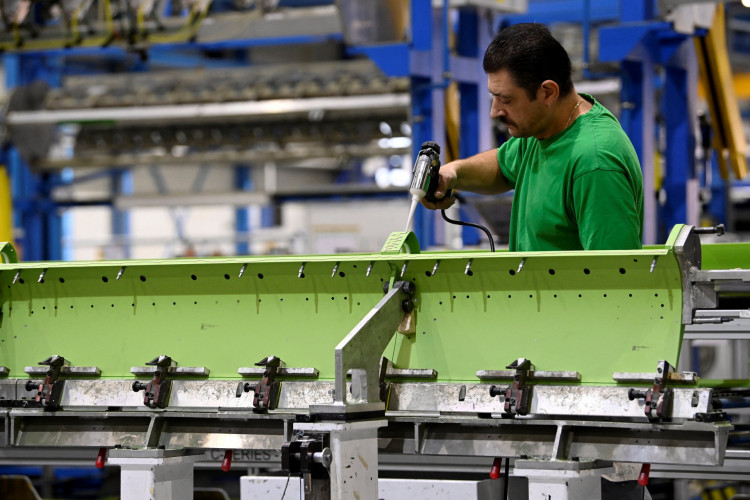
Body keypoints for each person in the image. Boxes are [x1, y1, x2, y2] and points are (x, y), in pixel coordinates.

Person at [421, 23, 644, 251]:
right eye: (494, 98)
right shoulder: (542, 129)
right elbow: (502, 165)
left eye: (506, 100)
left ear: (548, 92)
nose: (494, 111)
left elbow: (616, 276)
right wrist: (453, 173)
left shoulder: (595, 163)